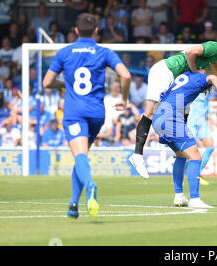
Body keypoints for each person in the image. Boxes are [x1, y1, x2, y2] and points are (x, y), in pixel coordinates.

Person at [42, 13, 131, 218]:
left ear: (75, 30)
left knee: (79, 155)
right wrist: (124, 99)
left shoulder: (65, 52)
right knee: (81, 156)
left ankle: (90, 185)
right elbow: (125, 75)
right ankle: (73, 205)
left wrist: (66, 83)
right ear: (96, 31)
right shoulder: (104, 51)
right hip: (97, 114)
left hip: (75, 113)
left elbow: (47, 83)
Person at [128, 40, 217, 179]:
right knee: (151, 112)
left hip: (173, 78)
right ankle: (137, 155)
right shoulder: (215, 48)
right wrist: (196, 75)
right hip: (165, 71)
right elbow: (190, 52)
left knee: (184, 108)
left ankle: (177, 146)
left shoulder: (213, 56)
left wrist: (201, 79)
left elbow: (198, 67)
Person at [152, 70, 217, 208]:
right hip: (171, 119)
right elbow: (214, 77)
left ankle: (179, 196)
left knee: (181, 155)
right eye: (208, 89)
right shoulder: (200, 80)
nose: (207, 92)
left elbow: (185, 108)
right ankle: (195, 199)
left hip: (159, 118)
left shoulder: (183, 81)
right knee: (195, 157)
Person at [187, 90, 215, 186]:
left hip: (202, 122)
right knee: (191, 149)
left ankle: (197, 173)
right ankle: (187, 174)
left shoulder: (206, 91)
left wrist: (214, 112)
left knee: (210, 146)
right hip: (191, 121)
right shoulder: (192, 86)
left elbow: (206, 105)